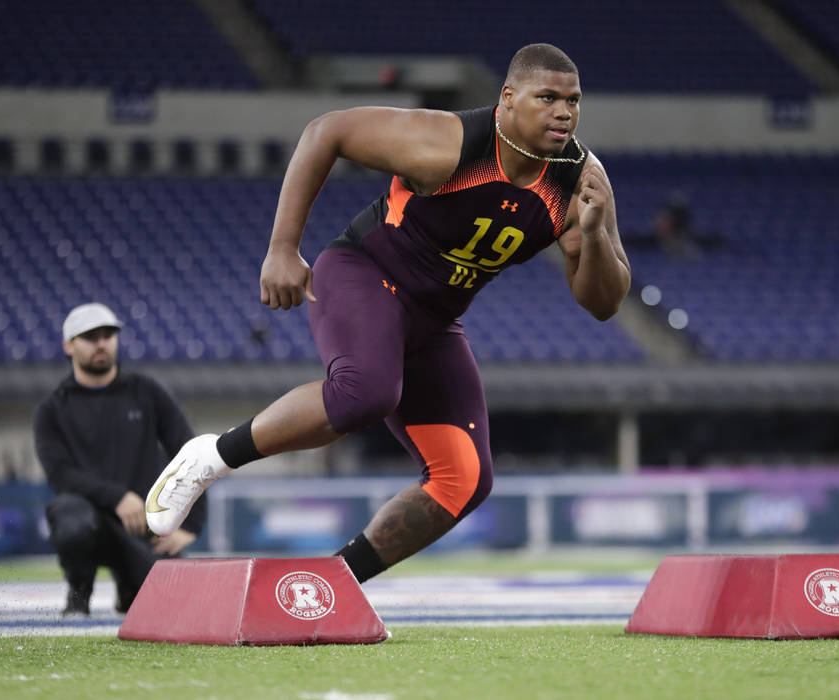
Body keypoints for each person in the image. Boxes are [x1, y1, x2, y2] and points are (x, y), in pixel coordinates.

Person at [145, 43, 630, 582]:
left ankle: (333, 585)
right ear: (508, 98)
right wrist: (283, 248)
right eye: (548, 98)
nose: (564, 112)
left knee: (464, 478)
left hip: (434, 319)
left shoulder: (579, 180)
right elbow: (325, 131)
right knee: (366, 392)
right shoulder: (450, 145)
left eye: (573, 100)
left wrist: (591, 233)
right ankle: (210, 456)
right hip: (365, 273)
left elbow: (604, 303)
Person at [34, 302, 205, 615]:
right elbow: (60, 475)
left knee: (169, 606)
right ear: (68, 346)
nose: (101, 343)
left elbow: (190, 452)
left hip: (144, 524)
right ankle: (79, 591)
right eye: (90, 337)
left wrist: (191, 526)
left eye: (108, 335)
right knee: (71, 518)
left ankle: (130, 589)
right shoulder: (52, 409)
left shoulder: (146, 391)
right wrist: (117, 497)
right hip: (90, 520)